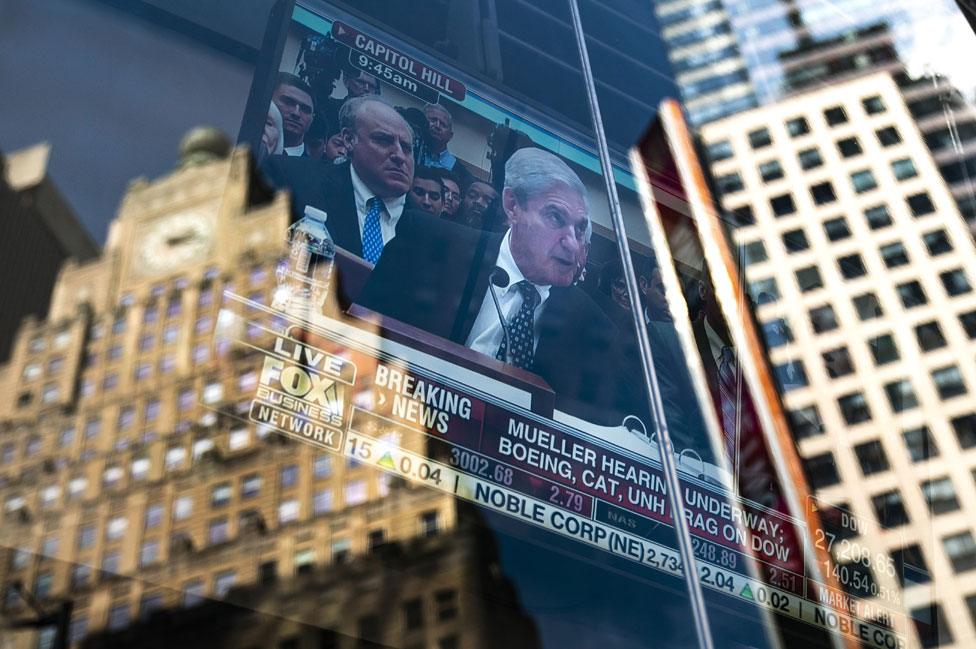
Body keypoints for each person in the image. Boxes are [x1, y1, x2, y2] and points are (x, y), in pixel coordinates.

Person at [357, 148, 624, 423]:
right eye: (556, 217)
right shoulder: (428, 245)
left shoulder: (595, 329)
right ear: (513, 206)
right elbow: (362, 341)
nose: (572, 243)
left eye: (580, 229)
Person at [261, 96, 421, 263]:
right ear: (349, 140)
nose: (399, 156)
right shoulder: (293, 180)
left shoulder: (431, 231)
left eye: (407, 148)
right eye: (383, 140)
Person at [272, 72, 316, 157]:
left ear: (312, 119)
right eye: (288, 102)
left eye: (305, 109)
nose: (296, 113)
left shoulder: (316, 169)